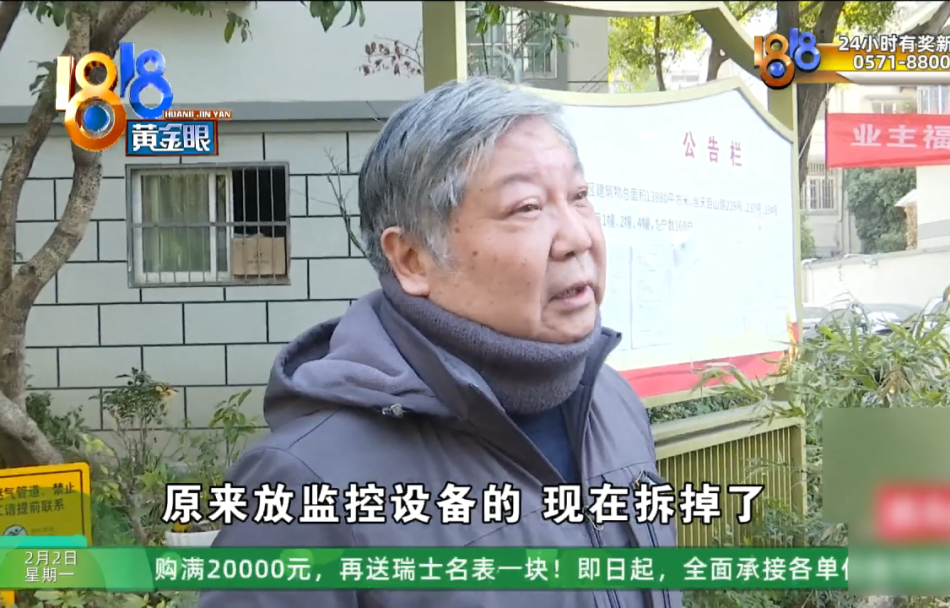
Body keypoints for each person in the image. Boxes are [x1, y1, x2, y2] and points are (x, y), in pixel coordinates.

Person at [199, 77, 680, 608]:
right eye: (526, 207)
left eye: (579, 196)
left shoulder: (613, 403)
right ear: (411, 259)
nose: (578, 237)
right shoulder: (303, 487)